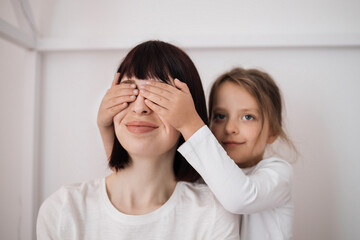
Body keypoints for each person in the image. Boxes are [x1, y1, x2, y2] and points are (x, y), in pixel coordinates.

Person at [36, 40, 240, 240]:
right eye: (129, 91)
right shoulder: (64, 210)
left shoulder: (211, 214)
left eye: (160, 95)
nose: (139, 107)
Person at [98, 66, 294, 239]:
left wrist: (189, 122)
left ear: (273, 132)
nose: (230, 128)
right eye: (219, 116)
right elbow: (131, 176)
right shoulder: (202, 174)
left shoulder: (278, 173)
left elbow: (239, 197)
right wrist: (105, 127)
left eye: (248, 117)